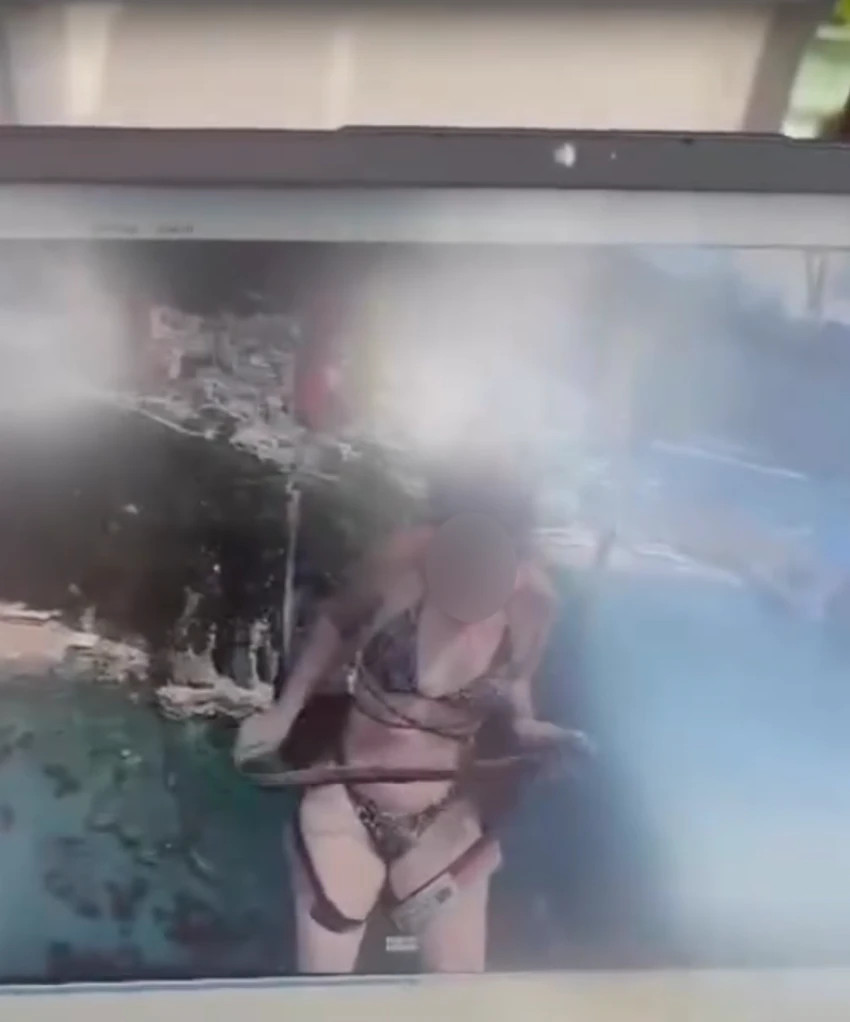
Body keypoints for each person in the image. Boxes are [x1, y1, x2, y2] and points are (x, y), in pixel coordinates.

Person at [235, 453, 574, 974]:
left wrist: (530, 728)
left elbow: (517, 681)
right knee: (320, 992)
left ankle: (407, 915)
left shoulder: (535, 604)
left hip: (442, 819)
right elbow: (335, 621)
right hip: (346, 804)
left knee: (459, 995)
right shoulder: (403, 559)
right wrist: (284, 713)